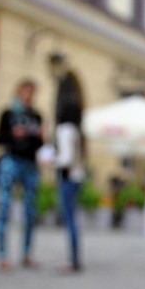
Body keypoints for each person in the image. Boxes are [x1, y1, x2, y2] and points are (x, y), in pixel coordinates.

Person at [0, 79, 45, 271]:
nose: (28, 96)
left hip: (30, 163)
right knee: (4, 207)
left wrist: (38, 136)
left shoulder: (37, 116)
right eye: (26, 92)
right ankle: (1, 255)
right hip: (11, 160)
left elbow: (40, 145)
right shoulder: (7, 114)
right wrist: (14, 134)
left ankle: (26, 254)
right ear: (18, 92)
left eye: (31, 92)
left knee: (30, 211)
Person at [54, 101, 86, 272]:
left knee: (69, 220)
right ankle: (74, 258)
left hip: (68, 178)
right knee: (73, 219)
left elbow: (66, 158)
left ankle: (72, 260)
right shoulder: (75, 130)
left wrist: (51, 161)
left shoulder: (64, 130)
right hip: (78, 178)